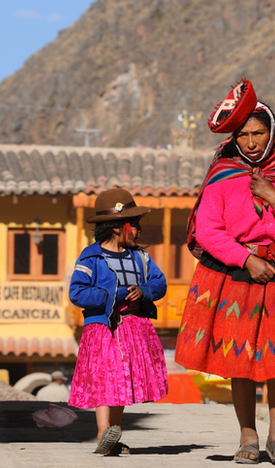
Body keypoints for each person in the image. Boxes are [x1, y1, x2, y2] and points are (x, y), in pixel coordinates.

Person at [175, 79, 275, 465]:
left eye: (257, 133)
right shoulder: (224, 173)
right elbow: (208, 230)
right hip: (238, 270)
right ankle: (248, 435)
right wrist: (245, 259)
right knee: (239, 358)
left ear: (272, 131)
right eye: (243, 134)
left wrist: (274, 197)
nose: (249, 142)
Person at [67, 188, 169, 456]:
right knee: (105, 377)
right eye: (133, 225)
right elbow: (77, 293)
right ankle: (103, 432)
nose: (138, 230)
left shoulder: (141, 258)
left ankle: (113, 432)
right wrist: (113, 294)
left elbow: (159, 283)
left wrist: (144, 291)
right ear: (116, 228)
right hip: (103, 327)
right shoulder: (91, 258)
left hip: (133, 328)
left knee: (122, 380)